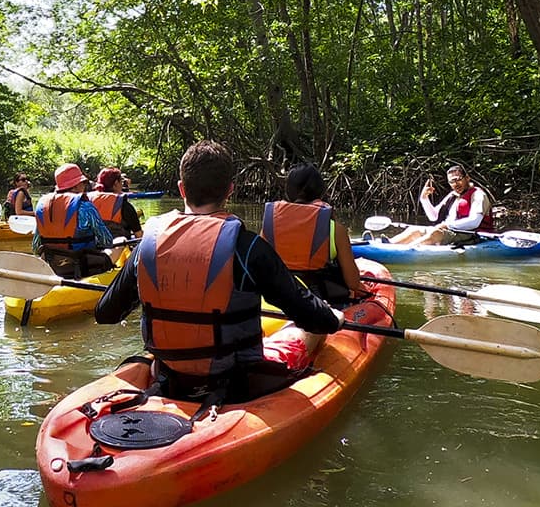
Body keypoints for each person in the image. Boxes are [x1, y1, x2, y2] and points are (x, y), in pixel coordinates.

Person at [95, 140, 340, 403]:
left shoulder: (147, 247)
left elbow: (106, 313)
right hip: (239, 381)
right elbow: (310, 316)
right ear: (229, 191)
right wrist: (333, 317)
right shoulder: (248, 248)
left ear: (181, 188)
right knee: (314, 328)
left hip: (170, 377)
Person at [261, 162, 367, 348]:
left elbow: (258, 271)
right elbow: (352, 283)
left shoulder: (269, 225)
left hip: (275, 301)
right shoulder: (335, 229)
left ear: (289, 191)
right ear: (320, 192)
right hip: (316, 304)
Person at [33, 163, 117, 275]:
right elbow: (107, 241)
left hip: (53, 267)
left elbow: (35, 248)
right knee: (120, 242)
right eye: (83, 183)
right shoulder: (86, 207)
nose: (84, 187)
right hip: (84, 266)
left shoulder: (43, 207)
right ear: (76, 186)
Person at [388, 163, 495, 246]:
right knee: (414, 230)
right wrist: (424, 198)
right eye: (451, 182)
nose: (455, 184)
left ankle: (405, 251)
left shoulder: (478, 195)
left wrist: (447, 225)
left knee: (436, 233)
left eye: (457, 180)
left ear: (467, 178)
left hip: (474, 235)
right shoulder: (453, 195)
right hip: (453, 231)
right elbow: (434, 216)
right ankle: (388, 244)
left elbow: (474, 222)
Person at [88, 167, 143, 237]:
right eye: (121, 181)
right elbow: (139, 235)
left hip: (91, 244)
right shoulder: (123, 205)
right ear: (116, 183)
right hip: (117, 244)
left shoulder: (88, 199)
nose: (122, 184)